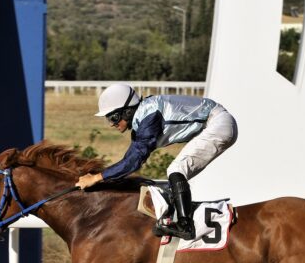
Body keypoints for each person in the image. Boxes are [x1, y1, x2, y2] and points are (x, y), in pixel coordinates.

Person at [76, 83, 238, 241]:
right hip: (216, 123)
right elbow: (129, 161)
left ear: (127, 111)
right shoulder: (144, 117)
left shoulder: (150, 117)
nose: (111, 124)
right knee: (175, 175)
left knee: (176, 169)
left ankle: (185, 225)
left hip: (217, 124)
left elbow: (133, 162)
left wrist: (96, 178)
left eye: (113, 117)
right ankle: (181, 214)